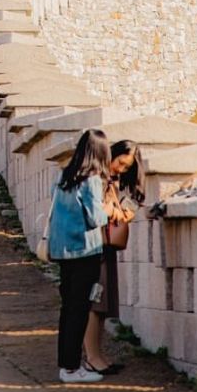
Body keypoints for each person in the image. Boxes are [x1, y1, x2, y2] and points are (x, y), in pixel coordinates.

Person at [48, 128, 111, 384]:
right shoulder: (92, 180)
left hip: (63, 251)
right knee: (80, 309)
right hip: (84, 250)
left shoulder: (64, 176)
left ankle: (67, 364)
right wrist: (108, 209)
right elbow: (96, 218)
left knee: (68, 309)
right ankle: (72, 368)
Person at [83, 140, 144, 374]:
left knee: (101, 304)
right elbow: (97, 211)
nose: (122, 169)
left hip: (105, 247)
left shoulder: (110, 180)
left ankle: (97, 355)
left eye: (127, 167)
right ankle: (92, 357)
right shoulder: (97, 178)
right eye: (121, 162)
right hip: (94, 247)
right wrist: (115, 211)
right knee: (93, 302)